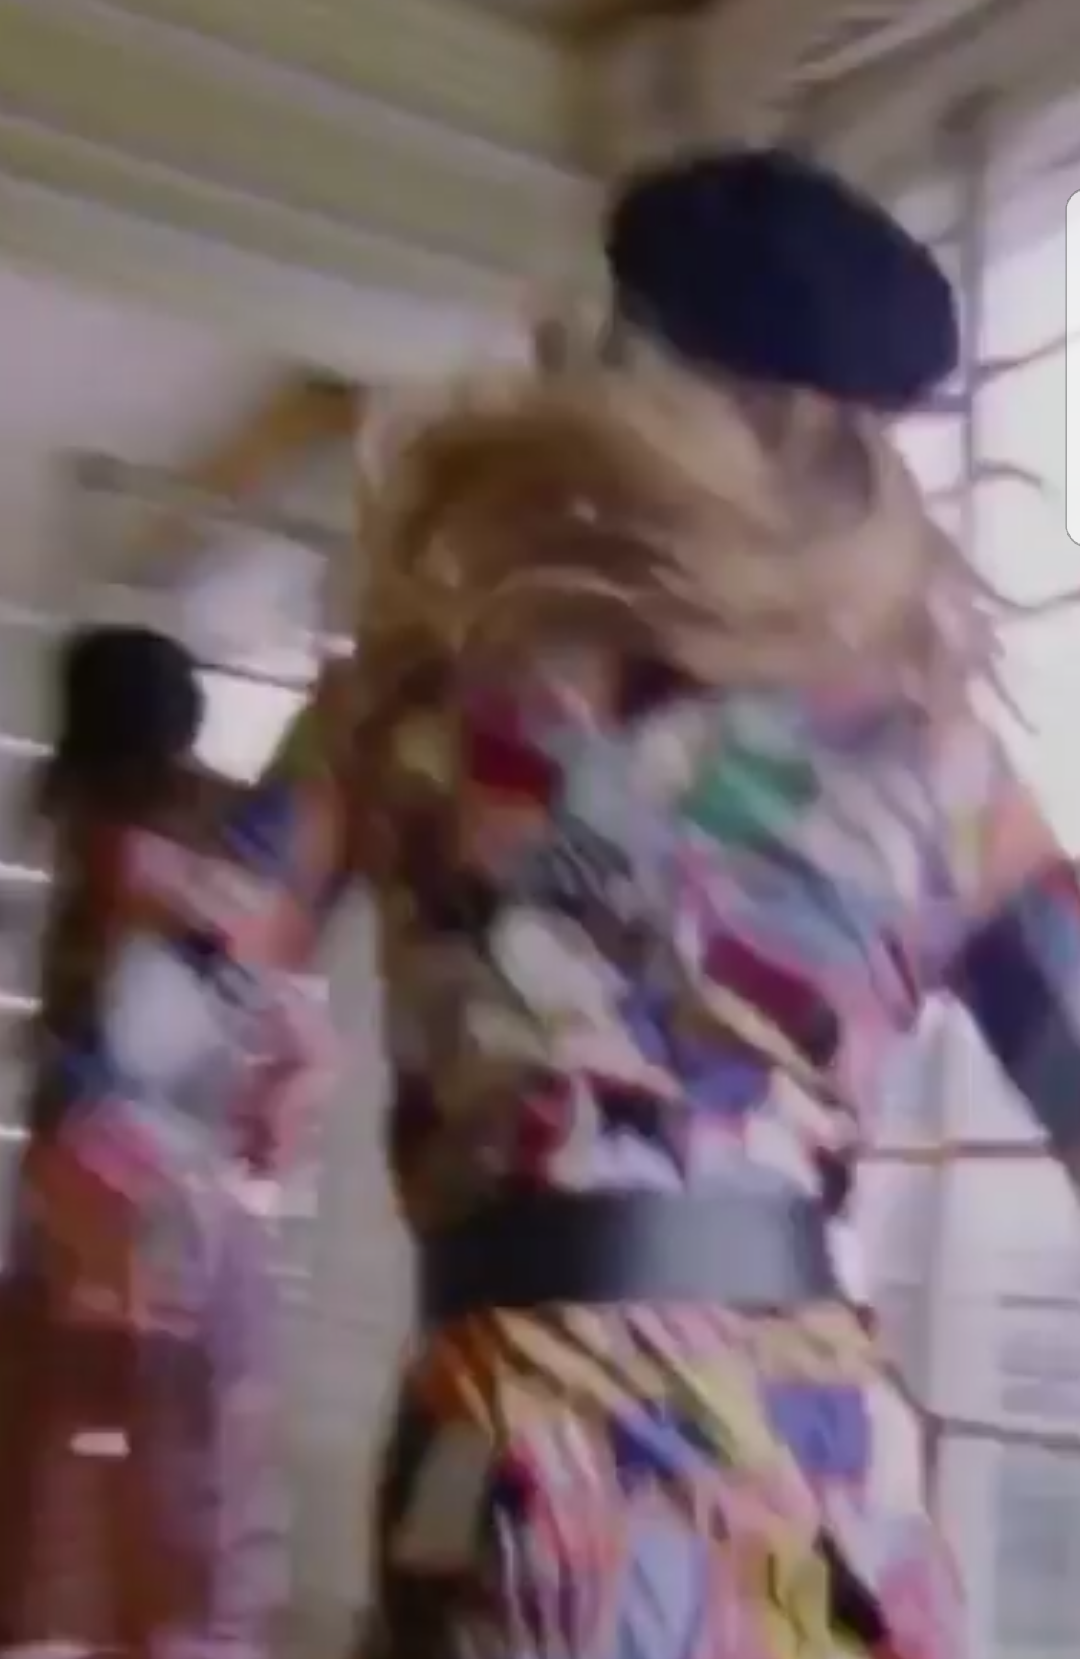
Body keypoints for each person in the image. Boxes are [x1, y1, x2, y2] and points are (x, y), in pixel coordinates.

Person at [56, 149, 1080, 1659]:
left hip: (521, 1460)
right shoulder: (935, 760)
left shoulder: (412, 696)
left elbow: (123, 1094)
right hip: (823, 1481)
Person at [0, 625, 346, 1657]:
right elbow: (301, 1034)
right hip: (173, 1218)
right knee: (179, 1509)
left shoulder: (121, 851)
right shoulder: (204, 861)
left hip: (111, 1215)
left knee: (88, 1499)